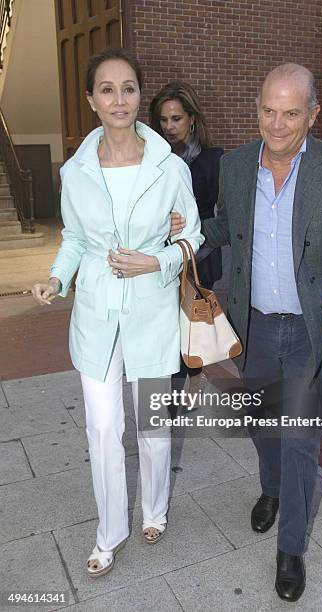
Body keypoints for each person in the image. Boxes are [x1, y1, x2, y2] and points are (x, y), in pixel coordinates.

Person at [171, 63, 322, 602]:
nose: (277, 124)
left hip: (312, 331)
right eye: (268, 110)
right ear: (256, 109)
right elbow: (221, 226)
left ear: (312, 115)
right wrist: (182, 235)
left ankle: (291, 550)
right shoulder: (236, 167)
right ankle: (272, 490)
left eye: (291, 113)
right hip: (254, 325)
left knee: (301, 438)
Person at [32, 48, 203, 578]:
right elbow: (76, 239)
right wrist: (58, 277)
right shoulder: (76, 170)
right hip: (96, 317)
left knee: (151, 427)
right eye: (107, 89)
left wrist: (156, 259)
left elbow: (192, 236)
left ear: (138, 97)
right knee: (103, 430)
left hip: (151, 310)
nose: (119, 98)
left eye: (128, 88)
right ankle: (110, 530)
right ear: (91, 100)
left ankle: (154, 508)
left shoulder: (170, 167)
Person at [149, 82, 223, 395]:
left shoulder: (211, 159)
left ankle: (186, 385)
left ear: (191, 118)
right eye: (163, 120)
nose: (169, 126)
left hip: (198, 258)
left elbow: (223, 215)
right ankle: (184, 381)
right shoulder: (153, 159)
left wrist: (191, 228)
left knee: (190, 327)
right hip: (161, 255)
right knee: (169, 327)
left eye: (176, 119)